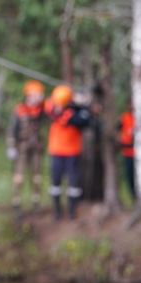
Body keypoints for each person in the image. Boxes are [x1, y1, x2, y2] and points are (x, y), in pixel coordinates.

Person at [46, 84, 92, 220]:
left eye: (61, 104)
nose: (58, 106)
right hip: (56, 152)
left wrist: (84, 104)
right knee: (56, 183)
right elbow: (51, 108)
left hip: (72, 152)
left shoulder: (73, 113)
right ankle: (57, 211)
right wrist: (77, 100)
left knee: (73, 183)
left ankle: (72, 210)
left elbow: (85, 120)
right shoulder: (54, 109)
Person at [6, 79, 46, 217]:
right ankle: (16, 205)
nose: (39, 97)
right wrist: (11, 146)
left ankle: (36, 206)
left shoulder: (41, 110)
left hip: (36, 149)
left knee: (36, 178)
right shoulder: (20, 110)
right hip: (22, 148)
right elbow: (12, 129)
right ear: (29, 95)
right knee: (19, 177)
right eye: (36, 94)